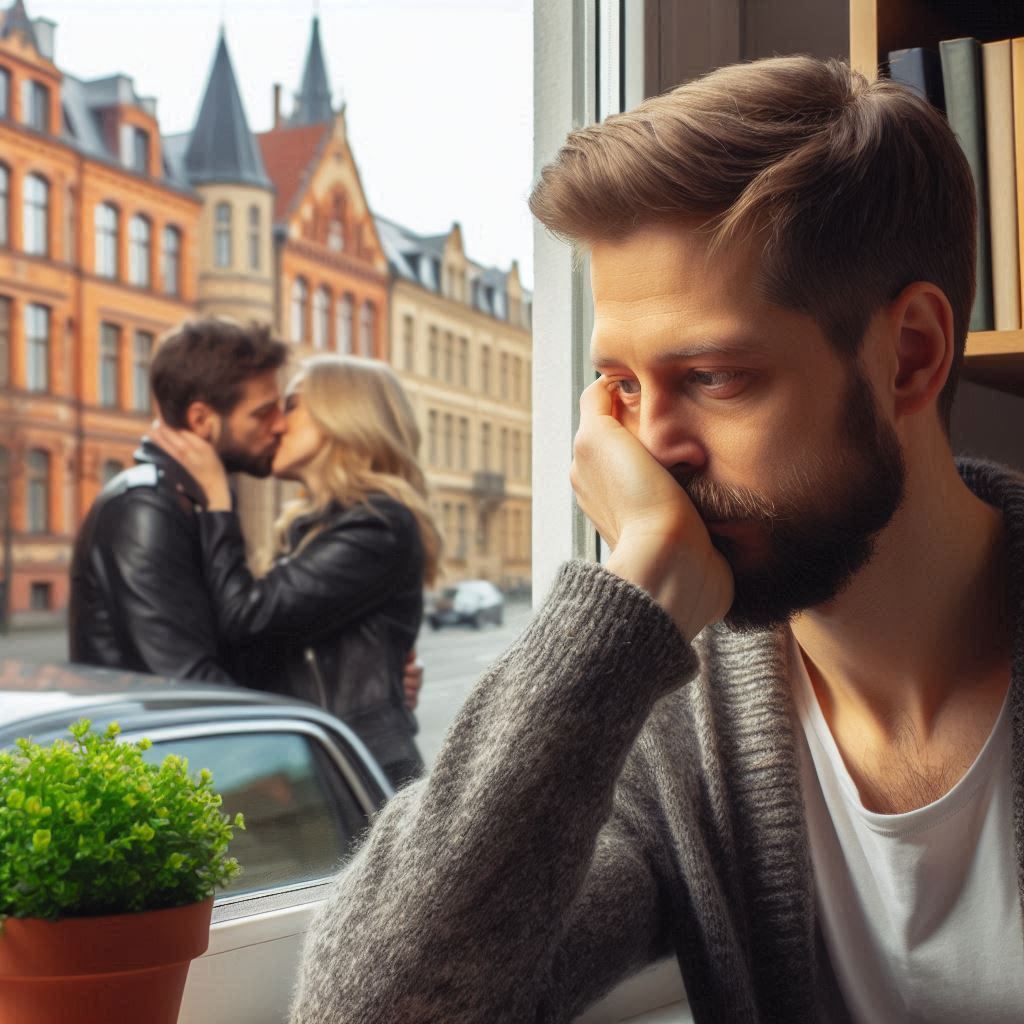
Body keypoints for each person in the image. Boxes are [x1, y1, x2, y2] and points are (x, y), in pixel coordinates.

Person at [284, 55, 1024, 1023]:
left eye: (714, 377)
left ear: (910, 355)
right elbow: (365, 1009)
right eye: (622, 389)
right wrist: (625, 601)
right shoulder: (666, 726)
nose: (653, 449)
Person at [152, 354, 441, 789]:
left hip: (359, 776)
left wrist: (217, 497)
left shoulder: (377, 525)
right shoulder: (319, 527)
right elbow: (278, 646)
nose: (278, 425)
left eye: (290, 406)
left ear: (340, 415)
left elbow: (247, 617)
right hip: (321, 764)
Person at [69, 318, 287, 681]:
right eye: (263, 413)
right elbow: (187, 683)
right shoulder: (145, 509)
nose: (279, 425)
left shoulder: (191, 497)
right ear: (202, 420)